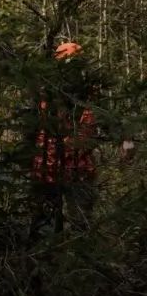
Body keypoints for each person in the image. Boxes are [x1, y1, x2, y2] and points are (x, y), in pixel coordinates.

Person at [32, 40, 97, 226]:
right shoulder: (46, 94)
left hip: (78, 169)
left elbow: (87, 131)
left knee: (80, 222)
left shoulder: (87, 95)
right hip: (49, 168)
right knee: (47, 224)